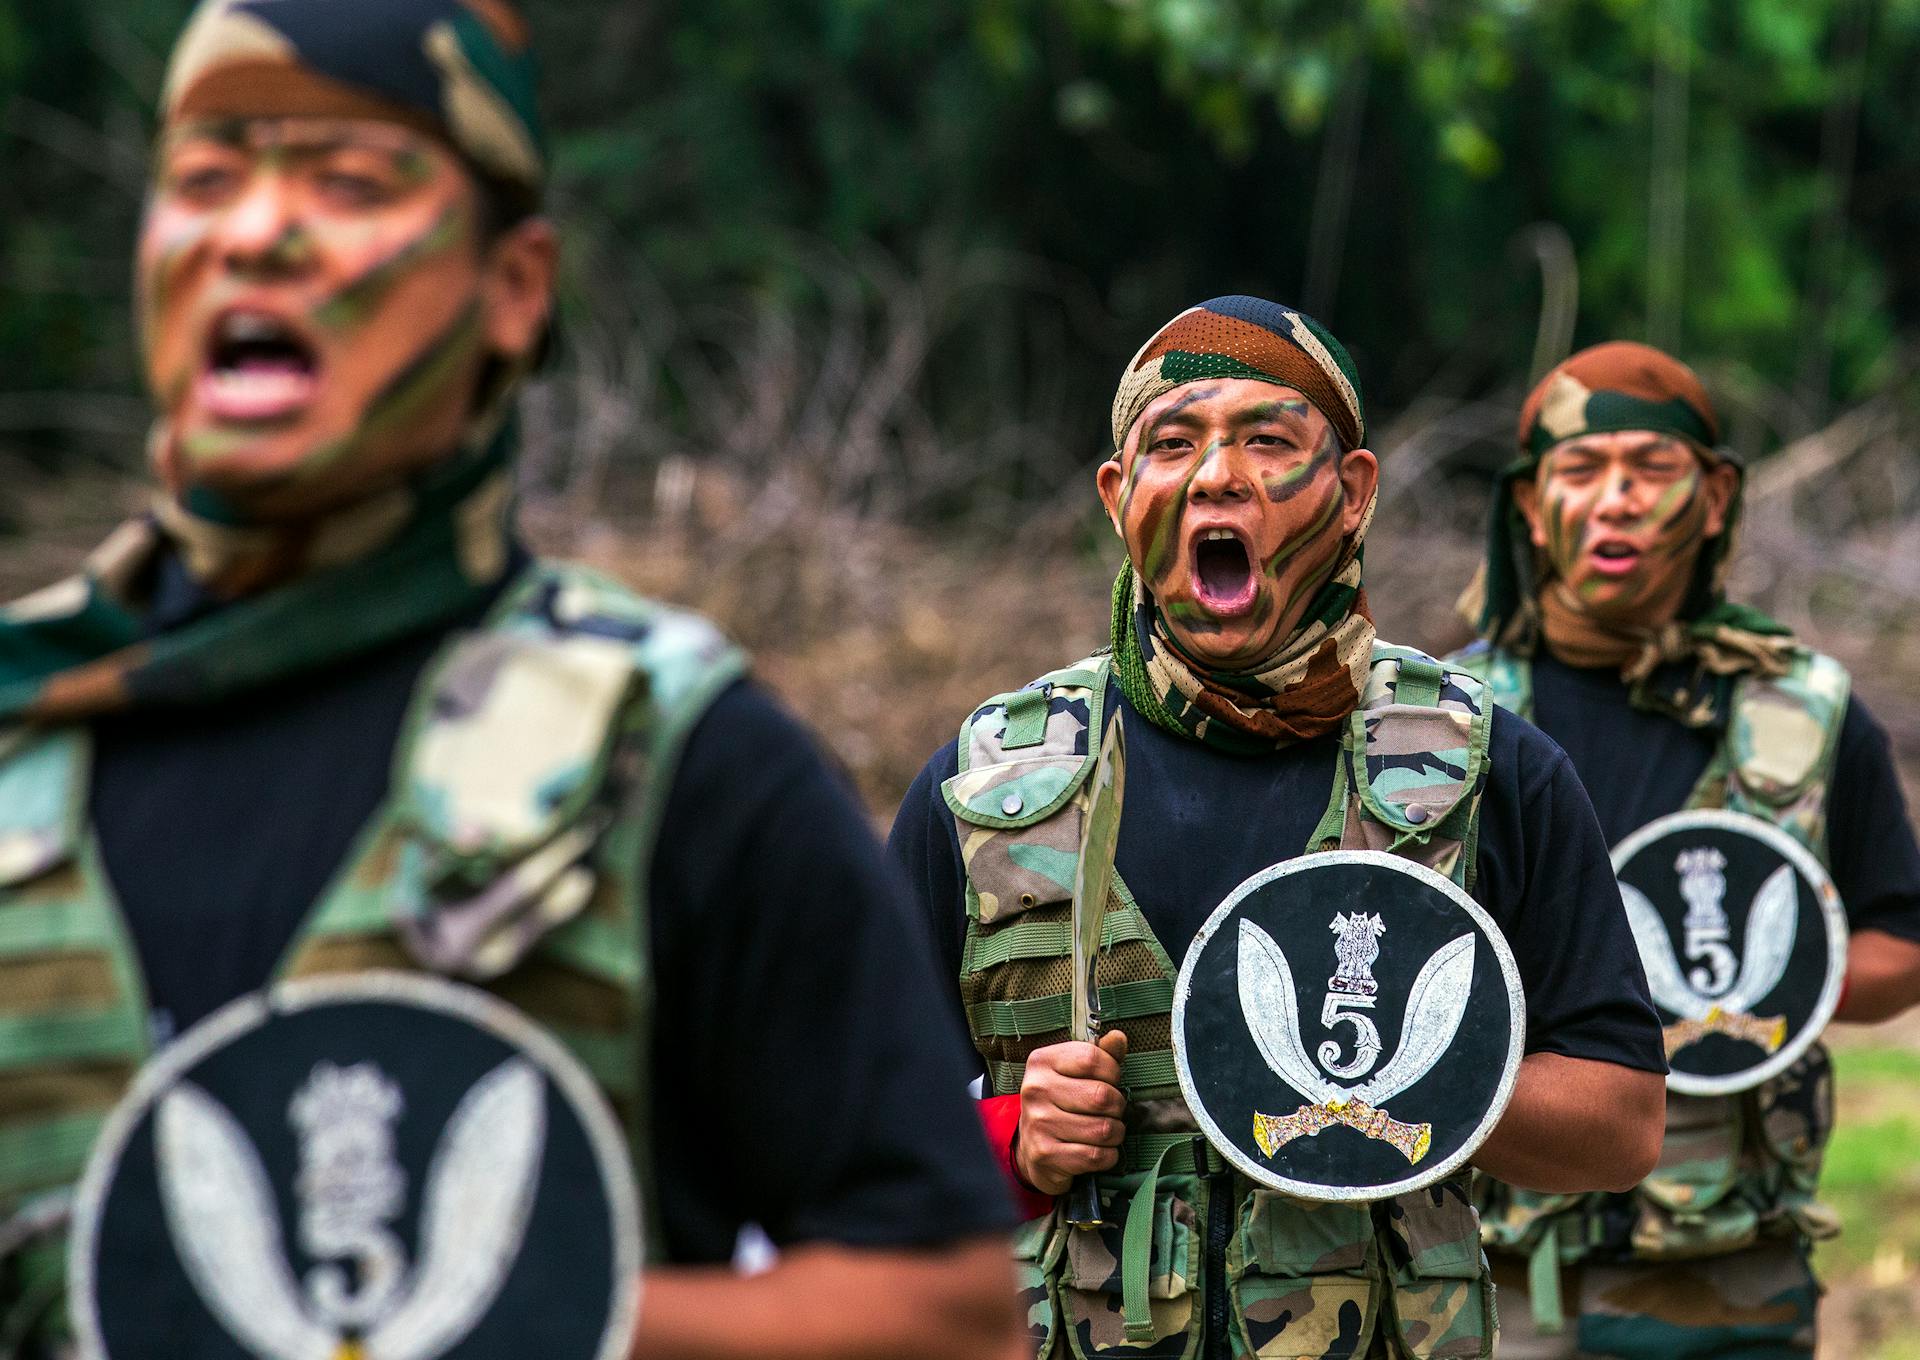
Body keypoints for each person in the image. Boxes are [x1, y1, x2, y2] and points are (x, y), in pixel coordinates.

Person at [0, 3, 1023, 1357]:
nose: (251, 233)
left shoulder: (666, 761)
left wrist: (512, 1316)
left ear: (514, 288)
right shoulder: (26, 735)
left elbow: (952, 1319)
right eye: (203, 181)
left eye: (349, 183)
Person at [888, 295, 1669, 1360]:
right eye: (1174, 443)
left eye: (1267, 440)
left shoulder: (1487, 770)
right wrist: (1014, 1140)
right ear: (1120, 497)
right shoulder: (987, 780)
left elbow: (1623, 1123)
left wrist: (1416, 1082)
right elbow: (850, 1144)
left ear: (1351, 495)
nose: (1218, 476)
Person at [1450, 340, 1920, 1358]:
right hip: (1495, 1266)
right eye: (1581, 470)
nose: (1614, 500)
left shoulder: (1804, 713)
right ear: (1531, 505)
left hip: (1730, 1274)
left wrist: (1760, 994)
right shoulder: (1437, 730)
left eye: (1650, 470)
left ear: (1712, 498)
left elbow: (1900, 945)